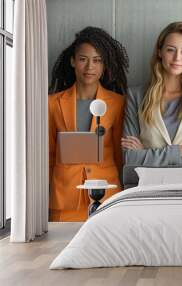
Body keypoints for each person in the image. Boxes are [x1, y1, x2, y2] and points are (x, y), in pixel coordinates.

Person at [48, 27, 128, 221]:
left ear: (104, 65)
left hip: (107, 194)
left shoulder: (118, 103)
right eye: (83, 59)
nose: (90, 67)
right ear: (73, 61)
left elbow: (120, 155)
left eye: (97, 60)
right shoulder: (52, 103)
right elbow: (49, 154)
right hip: (65, 197)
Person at [122, 22, 182, 166]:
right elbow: (130, 158)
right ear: (160, 52)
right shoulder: (136, 96)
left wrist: (146, 153)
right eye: (171, 50)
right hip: (147, 185)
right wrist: (177, 152)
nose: (177, 58)